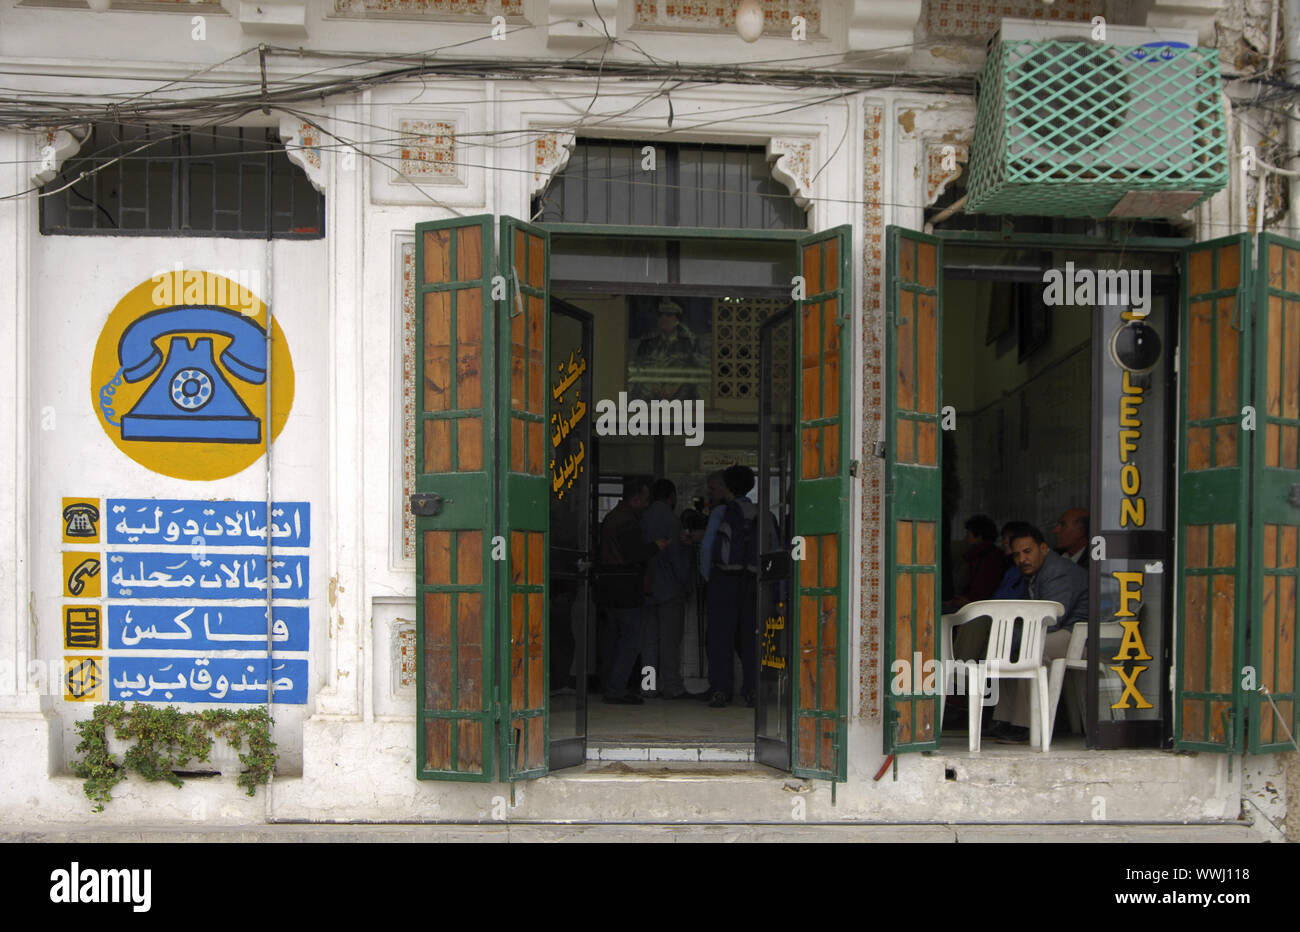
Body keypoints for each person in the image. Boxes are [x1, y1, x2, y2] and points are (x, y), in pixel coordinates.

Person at [988, 522, 1089, 742]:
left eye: (1027, 551)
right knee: (1008, 651)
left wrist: (1016, 639)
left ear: (1043, 548)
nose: (1022, 559)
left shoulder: (1057, 572)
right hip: (1060, 634)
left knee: (1028, 650)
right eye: (1016, 555)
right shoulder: (1037, 571)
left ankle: (1025, 724)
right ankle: (1004, 719)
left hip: (1081, 637)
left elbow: (1052, 622)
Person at [597, 477, 670, 705]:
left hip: (609, 586)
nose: (648, 504)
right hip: (626, 586)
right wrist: (656, 547)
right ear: (636, 499)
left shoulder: (612, 517)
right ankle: (616, 689)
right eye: (646, 499)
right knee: (630, 640)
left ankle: (609, 685)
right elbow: (634, 554)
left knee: (614, 638)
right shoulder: (627, 521)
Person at [699, 464, 760, 708]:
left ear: (728, 487)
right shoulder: (760, 512)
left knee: (719, 637)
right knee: (750, 637)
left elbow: (707, 548)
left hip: (723, 580)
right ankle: (752, 689)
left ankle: (721, 690)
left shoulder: (721, 512)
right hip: (752, 582)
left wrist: (707, 578)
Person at [640, 479, 692, 700]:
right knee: (669, 640)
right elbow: (676, 559)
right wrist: (685, 582)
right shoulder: (672, 520)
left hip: (646, 587)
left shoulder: (642, 517)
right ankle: (671, 685)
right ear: (671, 496)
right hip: (669, 589)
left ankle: (648, 686)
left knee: (648, 640)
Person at [947, 514, 1008, 661]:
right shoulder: (976, 557)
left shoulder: (990, 559)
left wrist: (967, 602)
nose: (965, 539)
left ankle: (956, 674)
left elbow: (983, 591)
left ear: (978, 536)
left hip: (980, 608)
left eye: (968, 534)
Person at [635, 298, 699, 368]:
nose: (663, 317)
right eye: (660, 314)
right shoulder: (646, 343)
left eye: (669, 314)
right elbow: (636, 366)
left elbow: (700, 367)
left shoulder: (690, 343)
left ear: (677, 320)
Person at [992, 520, 1029, 599]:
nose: (1004, 542)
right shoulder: (1009, 567)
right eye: (1004, 538)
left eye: (1009, 538)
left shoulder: (1024, 569)